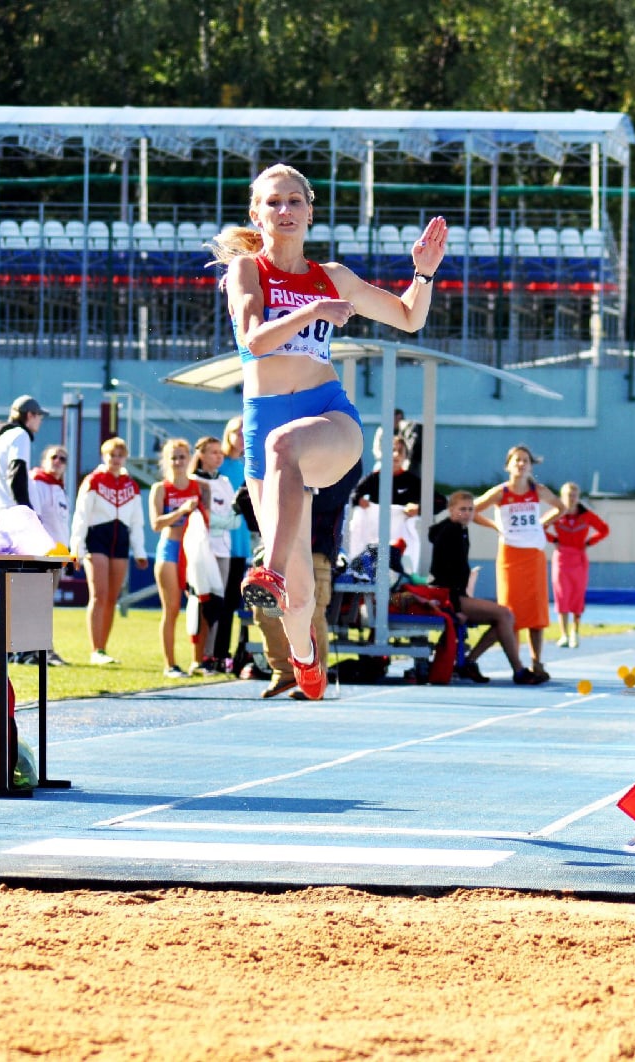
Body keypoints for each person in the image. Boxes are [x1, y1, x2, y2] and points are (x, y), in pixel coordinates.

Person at [210, 162, 446, 702]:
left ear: (310, 211)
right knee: (297, 597)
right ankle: (305, 659)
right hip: (265, 419)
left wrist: (424, 273)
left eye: (295, 201)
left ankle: (266, 573)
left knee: (284, 447)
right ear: (257, 213)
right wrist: (312, 309)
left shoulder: (333, 276)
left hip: (327, 416)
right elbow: (255, 340)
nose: (285, 211)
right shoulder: (247, 272)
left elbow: (410, 317)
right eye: (274, 202)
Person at [252, 459, 362, 699]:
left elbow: (324, 501)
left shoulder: (345, 455)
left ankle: (314, 674)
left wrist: (285, 487)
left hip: (316, 550)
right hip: (276, 552)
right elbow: (250, 497)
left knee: (310, 613)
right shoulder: (279, 452)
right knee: (268, 611)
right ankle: (284, 670)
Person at [428, 491, 540, 685]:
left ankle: (469, 662)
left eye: (471, 509)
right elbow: (441, 571)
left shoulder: (459, 529)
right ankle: (518, 670)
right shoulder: (450, 532)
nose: (467, 513)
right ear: (451, 510)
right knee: (505, 615)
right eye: (462, 509)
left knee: (504, 618)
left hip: (455, 595)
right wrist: (455, 606)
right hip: (448, 596)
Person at [471, 446, 559, 682]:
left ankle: (536, 662)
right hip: (510, 556)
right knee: (511, 612)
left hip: (534, 555)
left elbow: (561, 507)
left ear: (531, 466)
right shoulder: (500, 493)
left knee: (536, 612)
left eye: (525, 460)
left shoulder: (538, 491)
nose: (521, 464)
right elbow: (472, 510)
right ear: (508, 465)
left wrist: (542, 523)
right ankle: (513, 663)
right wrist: (494, 526)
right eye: (517, 460)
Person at [70, 436, 149, 665]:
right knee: (99, 594)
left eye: (120, 455)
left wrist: (140, 550)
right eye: (111, 455)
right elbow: (81, 516)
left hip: (121, 541)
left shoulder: (131, 485)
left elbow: (137, 520)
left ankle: (103, 648)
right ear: (104, 456)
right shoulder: (93, 480)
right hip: (97, 539)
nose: (115, 459)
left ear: (125, 458)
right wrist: (77, 546)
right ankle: (95, 649)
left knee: (112, 597)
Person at [149, 438, 202, 679]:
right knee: (171, 609)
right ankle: (170, 664)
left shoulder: (198, 487)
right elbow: (156, 524)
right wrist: (180, 511)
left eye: (182, 456)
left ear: (189, 458)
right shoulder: (160, 489)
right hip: (169, 549)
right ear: (166, 461)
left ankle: (199, 661)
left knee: (199, 604)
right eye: (173, 457)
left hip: (193, 550)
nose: (178, 461)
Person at [190, 434, 238, 674]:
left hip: (223, 549)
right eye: (212, 452)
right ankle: (197, 656)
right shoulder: (194, 481)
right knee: (200, 602)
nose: (218, 456)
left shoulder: (226, 482)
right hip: (201, 549)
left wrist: (219, 521)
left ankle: (211, 655)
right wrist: (219, 521)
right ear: (201, 455)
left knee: (219, 603)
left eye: (220, 452)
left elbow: (235, 520)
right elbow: (200, 518)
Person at [545, 482, 610, 650]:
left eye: (574, 495)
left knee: (576, 595)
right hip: (561, 559)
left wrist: (589, 542)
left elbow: (604, 529)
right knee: (562, 596)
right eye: (568, 495)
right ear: (562, 496)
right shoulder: (556, 514)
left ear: (578, 497)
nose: (571, 498)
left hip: (579, 559)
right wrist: (554, 540)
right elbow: (540, 527)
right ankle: (563, 634)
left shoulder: (586, 515)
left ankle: (575, 632)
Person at [27, 444, 73, 667]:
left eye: (63, 459)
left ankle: (43, 648)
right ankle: (42, 649)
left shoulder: (59, 488)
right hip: (43, 552)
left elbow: (62, 525)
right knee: (39, 603)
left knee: (45, 603)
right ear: (45, 459)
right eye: (54, 457)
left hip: (57, 555)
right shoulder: (37, 481)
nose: (58, 461)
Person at [216, 416, 253, 670]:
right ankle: (217, 653)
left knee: (241, 601)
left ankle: (240, 652)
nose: (241, 436)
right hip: (222, 542)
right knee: (222, 601)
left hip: (243, 542)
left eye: (245, 432)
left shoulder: (248, 465)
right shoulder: (221, 465)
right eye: (237, 432)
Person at [0, 394, 48, 520]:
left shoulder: (1, 439)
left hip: (3, 512)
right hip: (17, 516)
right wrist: (27, 511)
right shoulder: (20, 435)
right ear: (30, 415)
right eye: (39, 416)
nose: (40, 421)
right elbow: (16, 474)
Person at [353, 436, 446, 515]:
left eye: (400, 451)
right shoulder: (373, 478)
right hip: (376, 531)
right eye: (392, 450)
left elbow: (441, 501)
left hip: (401, 533)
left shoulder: (412, 481)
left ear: (406, 456)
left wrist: (419, 509)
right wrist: (359, 500)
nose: (396, 454)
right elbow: (351, 494)